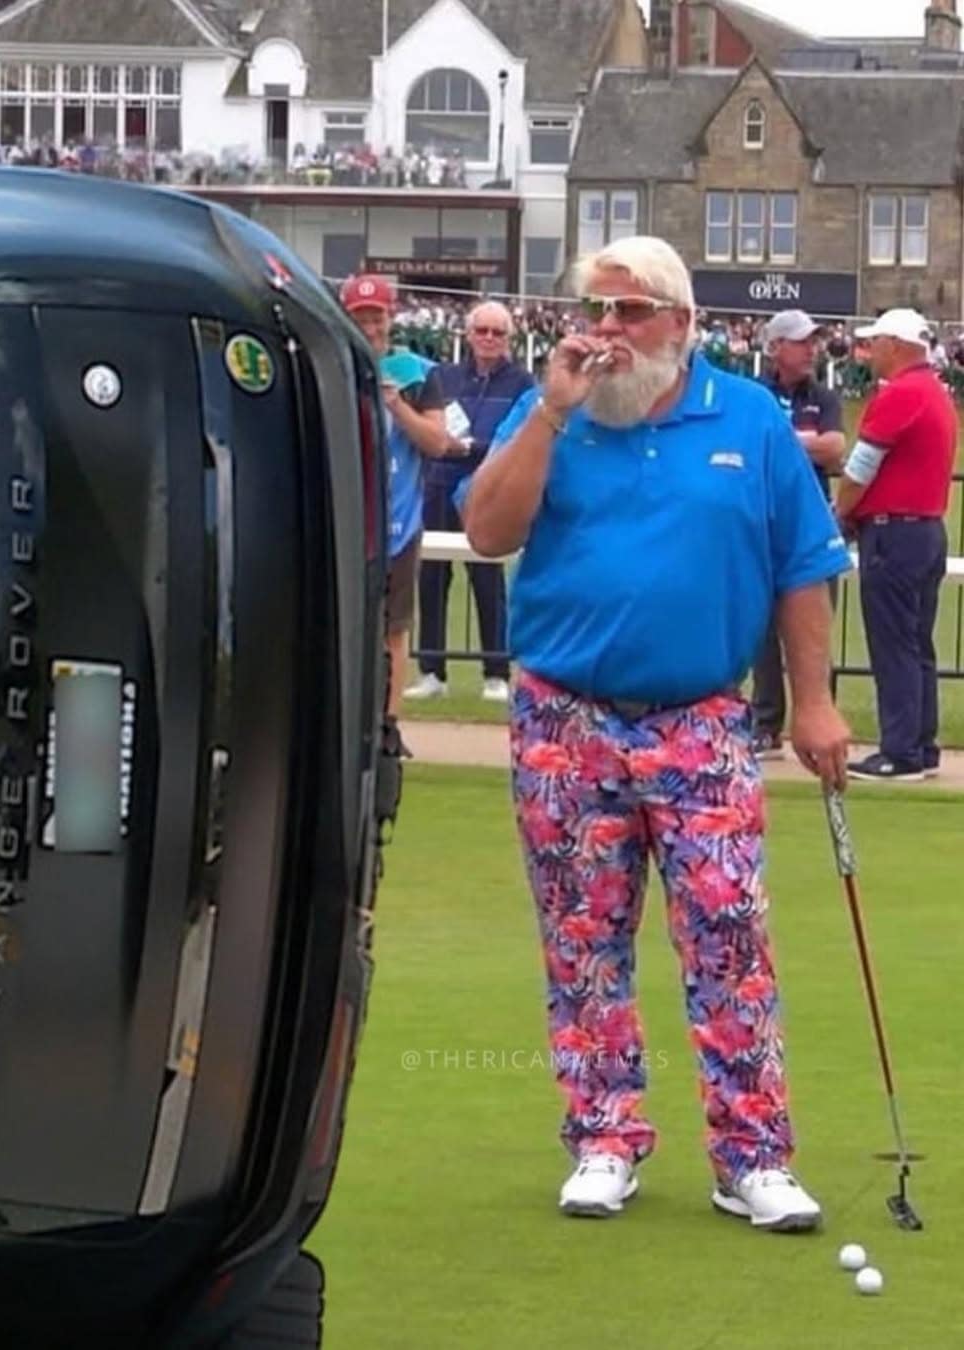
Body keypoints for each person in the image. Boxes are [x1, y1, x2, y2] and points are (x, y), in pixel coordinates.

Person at [459, 236, 851, 1231]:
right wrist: (548, 408)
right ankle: (603, 1138)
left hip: (702, 717)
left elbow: (803, 565)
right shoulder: (559, 412)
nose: (608, 332)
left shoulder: (750, 419)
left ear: (681, 323)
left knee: (728, 933)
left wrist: (813, 701)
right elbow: (490, 531)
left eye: (631, 313)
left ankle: (752, 1156)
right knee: (583, 941)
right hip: (565, 717)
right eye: (596, 310)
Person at [835, 308, 956, 782]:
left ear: (898, 345)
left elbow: (861, 467)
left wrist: (841, 513)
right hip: (925, 529)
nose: (870, 351)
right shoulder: (935, 393)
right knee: (916, 642)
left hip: (895, 533)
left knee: (893, 645)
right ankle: (920, 745)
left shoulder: (901, 394)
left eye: (876, 342)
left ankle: (900, 751)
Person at [405, 301, 534, 704]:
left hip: (486, 488)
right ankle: (431, 670)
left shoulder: (522, 383)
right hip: (440, 484)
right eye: (483, 331)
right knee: (431, 578)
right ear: (469, 335)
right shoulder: (443, 376)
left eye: (498, 332)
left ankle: (495, 671)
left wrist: (472, 448)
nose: (489, 339)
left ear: (509, 339)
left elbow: (519, 438)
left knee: (487, 579)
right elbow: (430, 427)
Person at [340, 274, 450, 723]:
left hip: (398, 521)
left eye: (376, 317)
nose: (369, 328)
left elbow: (438, 442)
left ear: (391, 317)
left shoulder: (417, 373)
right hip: (344, 516)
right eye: (359, 318)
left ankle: (387, 722)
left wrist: (397, 405)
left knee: (394, 629)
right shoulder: (333, 364)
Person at [751, 310, 847, 758]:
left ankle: (820, 720)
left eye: (813, 341)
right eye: (800, 341)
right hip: (760, 524)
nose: (811, 349)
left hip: (810, 527)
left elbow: (835, 448)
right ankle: (765, 726)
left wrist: (780, 440)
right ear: (775, 348)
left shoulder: (823, 397)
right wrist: (801, 442)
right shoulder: (755, 394)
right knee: (763, 633)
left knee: (814, 628)